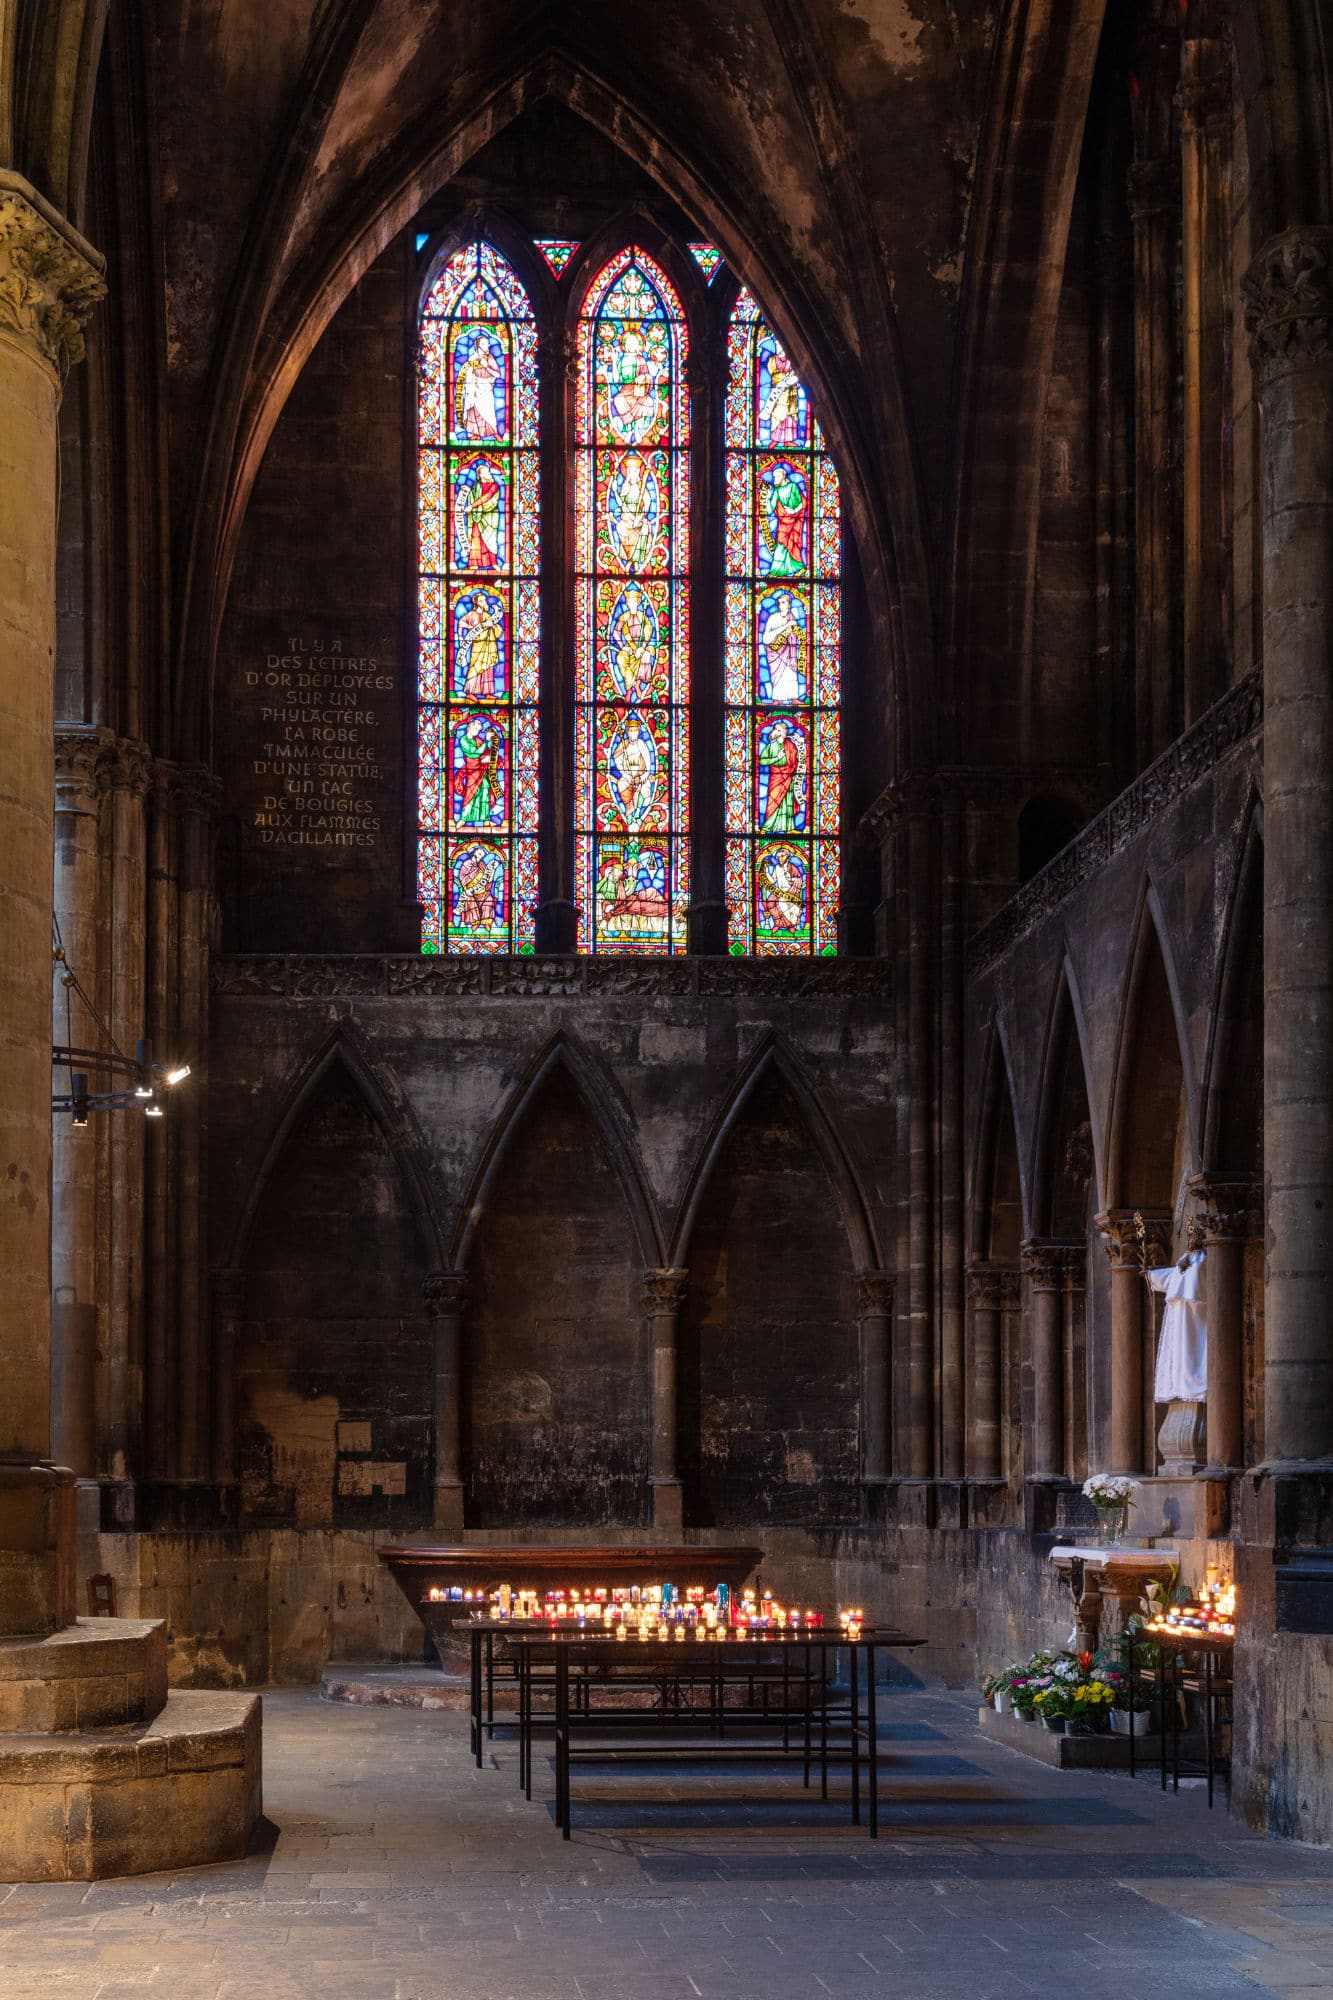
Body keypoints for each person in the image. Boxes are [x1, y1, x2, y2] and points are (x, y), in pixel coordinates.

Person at [453, 330, 503, 441]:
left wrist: (486, 367)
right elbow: (467, 373)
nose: (487, 345)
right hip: (474, 389)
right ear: (478, 346)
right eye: (484, 343)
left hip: (487, 389)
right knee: (473, 411)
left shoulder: (490, 358)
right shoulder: (472, 359)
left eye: (487, 343)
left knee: (489, 412)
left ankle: (493, 432)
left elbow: (497, 374)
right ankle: (475, 434)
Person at [762, 462, 808, 578]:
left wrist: (793, 511)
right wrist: (766, 498)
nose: (774, 479)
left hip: (795, 520)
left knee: (794, 544)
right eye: (773, 477)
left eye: (776, 477)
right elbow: (769, 509)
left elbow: (801, 503)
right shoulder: (776, 491)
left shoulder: (793, 486)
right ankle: (777, 571)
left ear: (783, 476)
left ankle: (799, 568)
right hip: (783, 523)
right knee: (781, 544)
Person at [760, 592, 807, 703]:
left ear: (789, 604)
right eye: (779, 603)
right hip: (774, 653)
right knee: (778, 676)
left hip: (790, 653)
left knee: (790, 674)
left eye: (783, 602)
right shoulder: (773, 618)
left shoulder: (792, 618)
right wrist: (786, 626)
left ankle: (794, 698)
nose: (781, 605)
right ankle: (777, 699)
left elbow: (796, 638)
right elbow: (766, 639)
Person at [758, 719, 802, 834]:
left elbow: (796, 761)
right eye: (777, 730)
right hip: (776, 777)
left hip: (789, 776)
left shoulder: (791, 746)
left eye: (780, 730)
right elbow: (762, 761)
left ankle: (790, 828)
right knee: (774, 801)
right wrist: (776, 758)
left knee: (788, 802)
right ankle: (766, 827)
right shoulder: (771, 746)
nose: (778, 732)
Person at [457, 594, 503, 699]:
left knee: (488, 668)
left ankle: (487, 693)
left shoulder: (487, 616)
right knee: (475, 668)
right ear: (476, 603)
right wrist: (470, 628)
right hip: (477, 645)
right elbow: (460, 623)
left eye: (485, 600)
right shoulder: (471, 614)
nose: (484, 602)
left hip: (489, 645)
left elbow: (498, 631)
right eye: (482, 601)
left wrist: (494, 626)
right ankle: (470, 693)